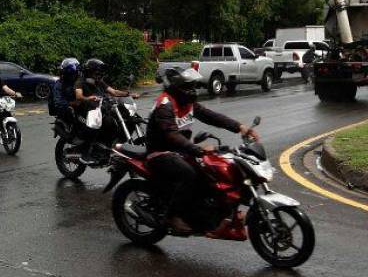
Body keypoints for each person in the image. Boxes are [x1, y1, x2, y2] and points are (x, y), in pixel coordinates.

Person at [145, 68, 259, 234]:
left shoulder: (188, 103)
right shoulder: (165, 104)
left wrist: (239, 127)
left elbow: (211, 116)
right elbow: (171, 135)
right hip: (161, 153)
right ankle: (173, 215)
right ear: (176, 88)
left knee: (211, 172)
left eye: (193, 86)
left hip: (181, 151)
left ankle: (207, 215)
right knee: (188, 174)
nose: (192, 90)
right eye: (188, 86)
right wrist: (196, 148)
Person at [74, 58, 137, 157]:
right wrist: (89, 98)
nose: (99, 75)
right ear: (89, 72)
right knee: (107, 122)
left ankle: (112, 144)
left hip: (101, 108)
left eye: (100, 73)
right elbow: (79, 96)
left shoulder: (99, 82)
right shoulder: (80, 82)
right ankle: (85, 153)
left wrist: (128, 94)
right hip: (87, 111)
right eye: (97, 72)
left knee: (121, 119)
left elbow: (114, 92)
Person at [49, 57, 81, 124]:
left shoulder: (79, 81)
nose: (74, 75)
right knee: (71, 112)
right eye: (72, 74)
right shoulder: (59, 85)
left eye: (76, 73)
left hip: (79, 105)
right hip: (66, 108)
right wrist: (73, 103)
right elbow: (58, 103)